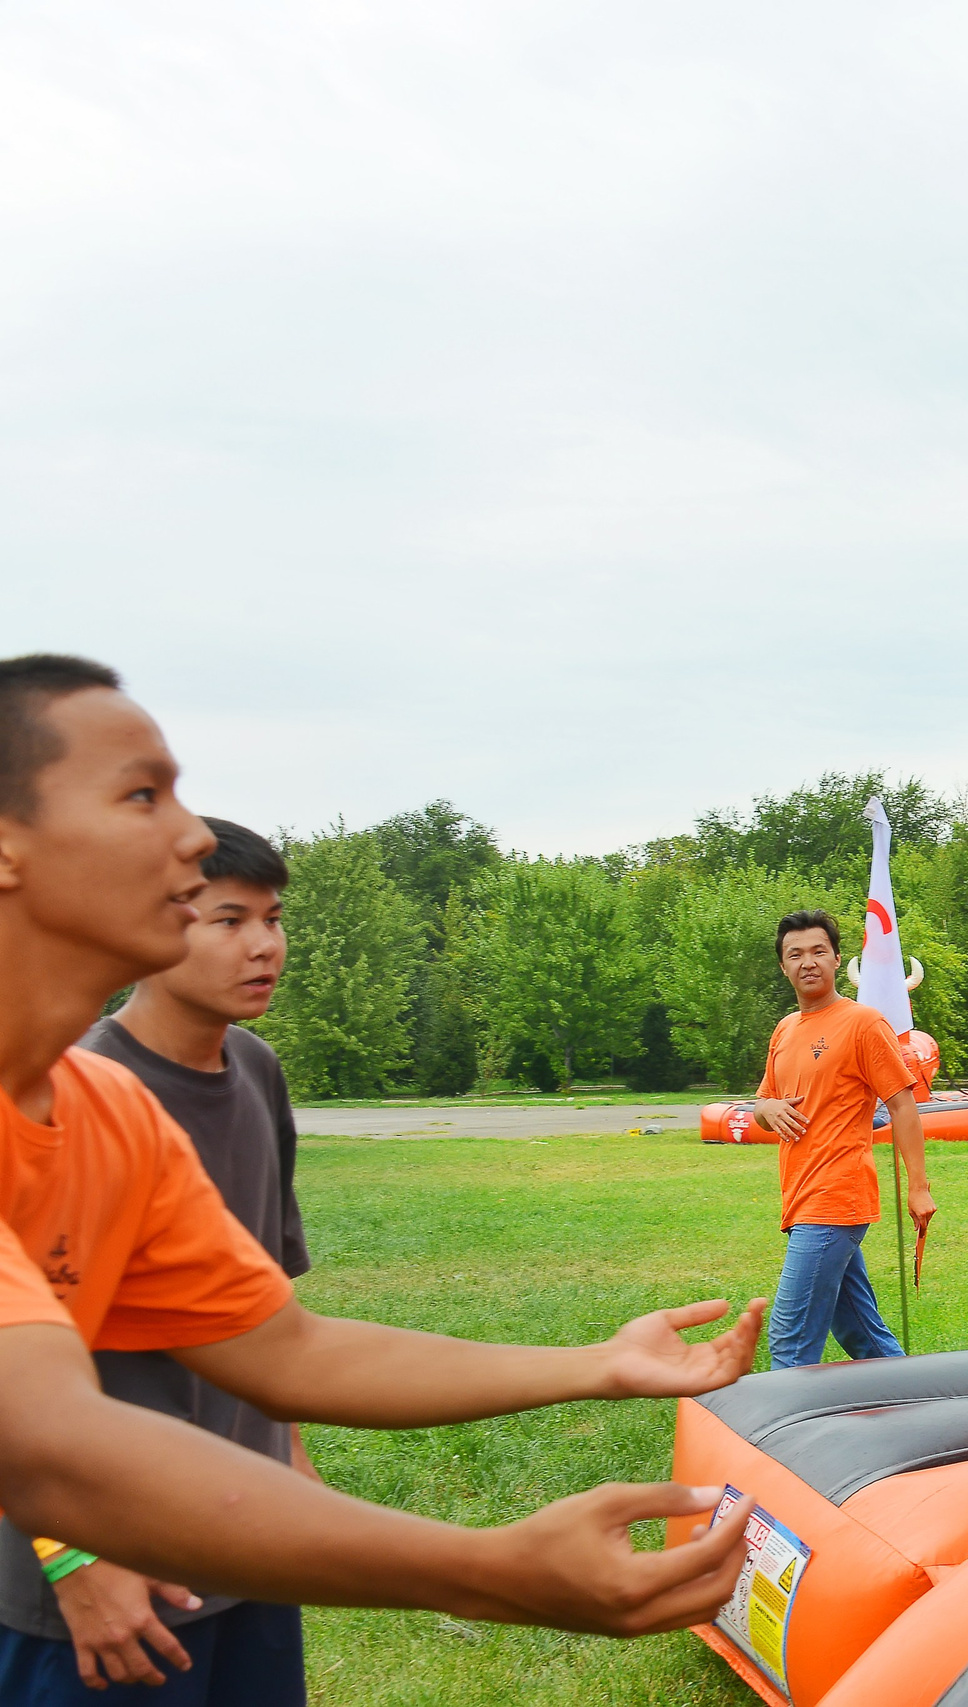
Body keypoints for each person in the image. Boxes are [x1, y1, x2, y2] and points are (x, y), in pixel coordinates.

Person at [0, 653, 764, 1652]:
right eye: (143, 794)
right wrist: (491, 1574)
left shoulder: (110, 1112)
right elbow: (52, 1450)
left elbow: (287, 1352)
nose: (191, 837)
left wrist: (601, 1365)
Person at [0, 817, 322, 1699]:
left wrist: (286, 1456)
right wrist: (69, 1555)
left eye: (273, 917)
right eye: (226, 919)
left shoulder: (255, 1070)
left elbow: (269, 1318)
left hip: (244, 1530)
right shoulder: (64, 1091)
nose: (263, 945)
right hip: (111, 1558)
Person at [751, 911, 936, 1368]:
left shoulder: (863, 1023)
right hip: (799, 1196)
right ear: (783, 966)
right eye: (795, 954)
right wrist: (768, 1110)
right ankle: (914, 1403)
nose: (807, 962)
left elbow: (902, 1105)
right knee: (860, 1333)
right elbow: (761, 1106)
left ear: (836, 959)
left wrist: (918, 1186)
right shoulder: (785, 1030)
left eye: (818, 951)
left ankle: (782, 1440)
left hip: (836, 1198)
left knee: (789, 1338)